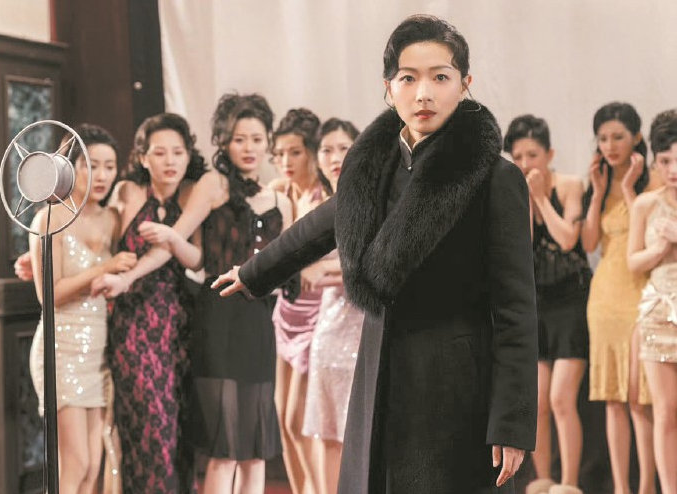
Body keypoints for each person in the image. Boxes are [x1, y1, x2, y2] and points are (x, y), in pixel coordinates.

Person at [213, 14, 537, 493]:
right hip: (379, 368)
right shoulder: (372, 167)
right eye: (408, 79)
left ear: (465, 84)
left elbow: (516, 310)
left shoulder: (496, 179)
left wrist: (511, 424)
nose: (423, 94)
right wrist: (255, 272)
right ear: (389, 88)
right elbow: (322, 225)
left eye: (440, 77)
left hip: (457, 385)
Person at [129, 93, 294, 494]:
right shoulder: (213, 184)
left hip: (258, 324)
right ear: (224, 142)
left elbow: (289, 270)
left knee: (255, 451)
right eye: (239, 139)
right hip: (218, 321)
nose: (249, 147)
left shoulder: (282, 202)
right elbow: (189, 250)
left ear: (268, 142)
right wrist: (131, 273)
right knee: (225, 449)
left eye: (257, 139)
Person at [95, 113, 205, 493]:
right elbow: (98, 238)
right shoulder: (128, 192)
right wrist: (38, 258)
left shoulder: (192, 194)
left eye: (178, 152)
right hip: (132, 325)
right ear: (143, 158)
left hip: (179, 326)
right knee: (147, 428)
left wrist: (172, 238)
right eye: (160, 153)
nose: (170, 161)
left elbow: (198, 260)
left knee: (177, 431)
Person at [26, 124, 136, 494]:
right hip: (60, 350)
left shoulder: (112, 219)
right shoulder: (49, 219)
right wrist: (106, 267)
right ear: (69, 167)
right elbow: (50, 295)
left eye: (109, 166)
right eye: (91, 165)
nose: (101, 175)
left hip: (96, 353)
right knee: (75, 463)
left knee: (94, 466)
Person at [503, 115, 590, 494]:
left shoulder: (569, 185)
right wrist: (525, 200)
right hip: (535, 304)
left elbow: (568, 239)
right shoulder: (512, 191)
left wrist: (540, 197)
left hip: (570, 301)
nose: (525, 164)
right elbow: (519, 250)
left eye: (533, 155)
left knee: (561, 400)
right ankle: (544, 479)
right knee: (537, 402)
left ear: (549, 154)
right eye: (518, 156)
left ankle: (569, 483)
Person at [581, 102, 657, 494]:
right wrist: (597, 194)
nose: (610, 146)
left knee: (641, 398)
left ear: (637, 138)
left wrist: (628, 189)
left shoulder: (656, 179)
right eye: (603, 138)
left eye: (618, 137)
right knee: (613, 398)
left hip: (644, 294)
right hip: (605, 297)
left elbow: (652, 233)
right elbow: (588, 243)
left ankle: (647, 486)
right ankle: (621, 488)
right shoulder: (597, 180)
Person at [300, 117, 363, 494]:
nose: (335, 157)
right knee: (326, 432)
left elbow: (372, 264)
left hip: (365, 331)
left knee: (361, 433)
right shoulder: (313, 204)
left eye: (344, 148)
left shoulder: (374, 200)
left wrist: (327, 270)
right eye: (327, 149)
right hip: (327, 332)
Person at [269, 108, 326, 494]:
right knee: (282, 418)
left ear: (311, 152)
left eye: (295, 152)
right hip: (286, 310)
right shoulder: (279, 191)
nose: (286, 161)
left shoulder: (326, 195)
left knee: (298, 419)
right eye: (279, 154)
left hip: (317, 313)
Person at [627, 108, 677, 494]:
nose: (673, 169)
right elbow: (632, 262)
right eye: (665, 161)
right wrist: (660, 248)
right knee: (665, 410)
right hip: (658, 315)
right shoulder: (645, 204)